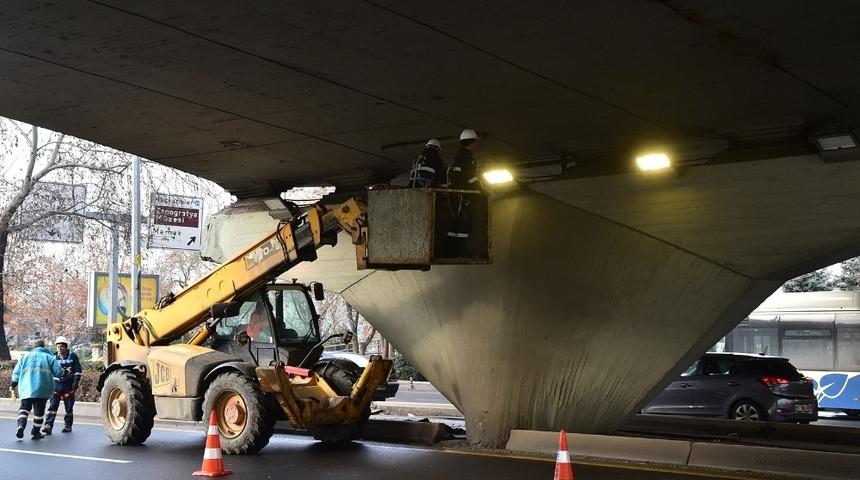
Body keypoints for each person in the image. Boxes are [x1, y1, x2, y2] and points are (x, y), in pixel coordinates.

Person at [11, 339, 63, 439]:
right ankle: (35, 432)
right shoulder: (49, 357)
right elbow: (58, 372)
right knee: (39, 412)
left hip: (27, 389)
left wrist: (14, 383)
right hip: (42, 390)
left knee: (24, 409)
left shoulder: (25, 357)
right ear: (43, 347)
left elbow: (16, 372)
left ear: (34, 347)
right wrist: (65, 372)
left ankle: (21, 426)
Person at [444, 129, 485, 253]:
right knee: (465, 222)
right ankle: (461, 251)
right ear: (471, 143)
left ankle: (451, 250)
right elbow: (469, 178)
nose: (478, 144)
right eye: (477, 142)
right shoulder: (467, 159)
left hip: (457, 195)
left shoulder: (459, 156)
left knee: (456, 223)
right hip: (463, 195)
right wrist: (482, 188)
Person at [43, 336, 82, 434]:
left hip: (69, 386)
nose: (59, 349)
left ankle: (68, 426)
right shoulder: (53, 357)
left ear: (66, 347)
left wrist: (76, 381)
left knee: (69, 407)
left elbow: (77, 370)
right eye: (58, 347)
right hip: (56, 385)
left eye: (61, 347)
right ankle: (48, 425)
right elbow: (49, 371)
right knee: (52, 406)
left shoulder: (73, 356)